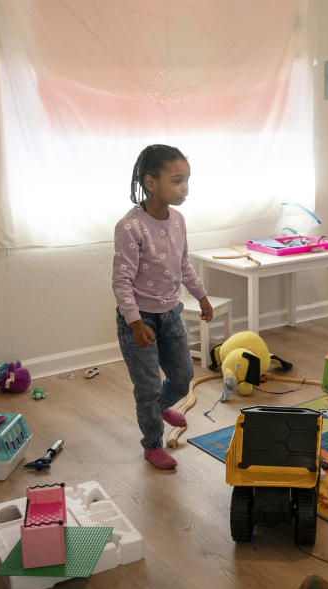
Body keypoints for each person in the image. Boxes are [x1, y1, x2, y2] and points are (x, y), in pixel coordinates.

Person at [112, 144, 213, 470]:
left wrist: (201, 295)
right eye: (177, 181)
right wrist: (135, 323)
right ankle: (152, 443)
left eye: (187, 180)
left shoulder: (179, 220)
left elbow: (183, 265)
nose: (185, 188)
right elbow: (121, 281)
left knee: (183, 377)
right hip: (140, 320)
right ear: (151, 183)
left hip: (171, 314)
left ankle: (158, 407)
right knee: (148, 386)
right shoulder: (130, 227)